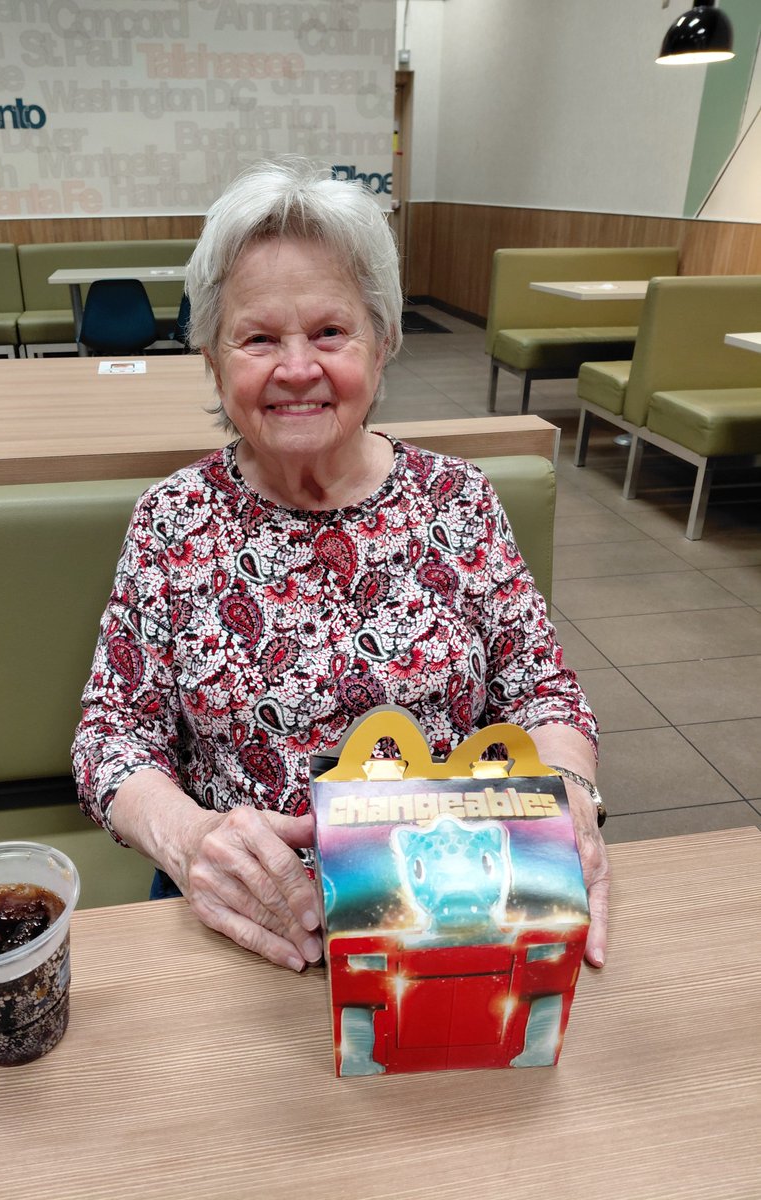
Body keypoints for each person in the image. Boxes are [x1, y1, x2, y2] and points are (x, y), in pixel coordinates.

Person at [72, 159, 609, 974]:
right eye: (258, 338)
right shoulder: (172, 519)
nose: (296, 368)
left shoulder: (457, 500)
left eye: (330, 332)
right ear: (214, 360)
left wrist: (569, 793)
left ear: (384, 342)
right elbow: (112, 737)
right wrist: (188, 840)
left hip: (448, 916)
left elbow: (541, 690)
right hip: (244, 921)